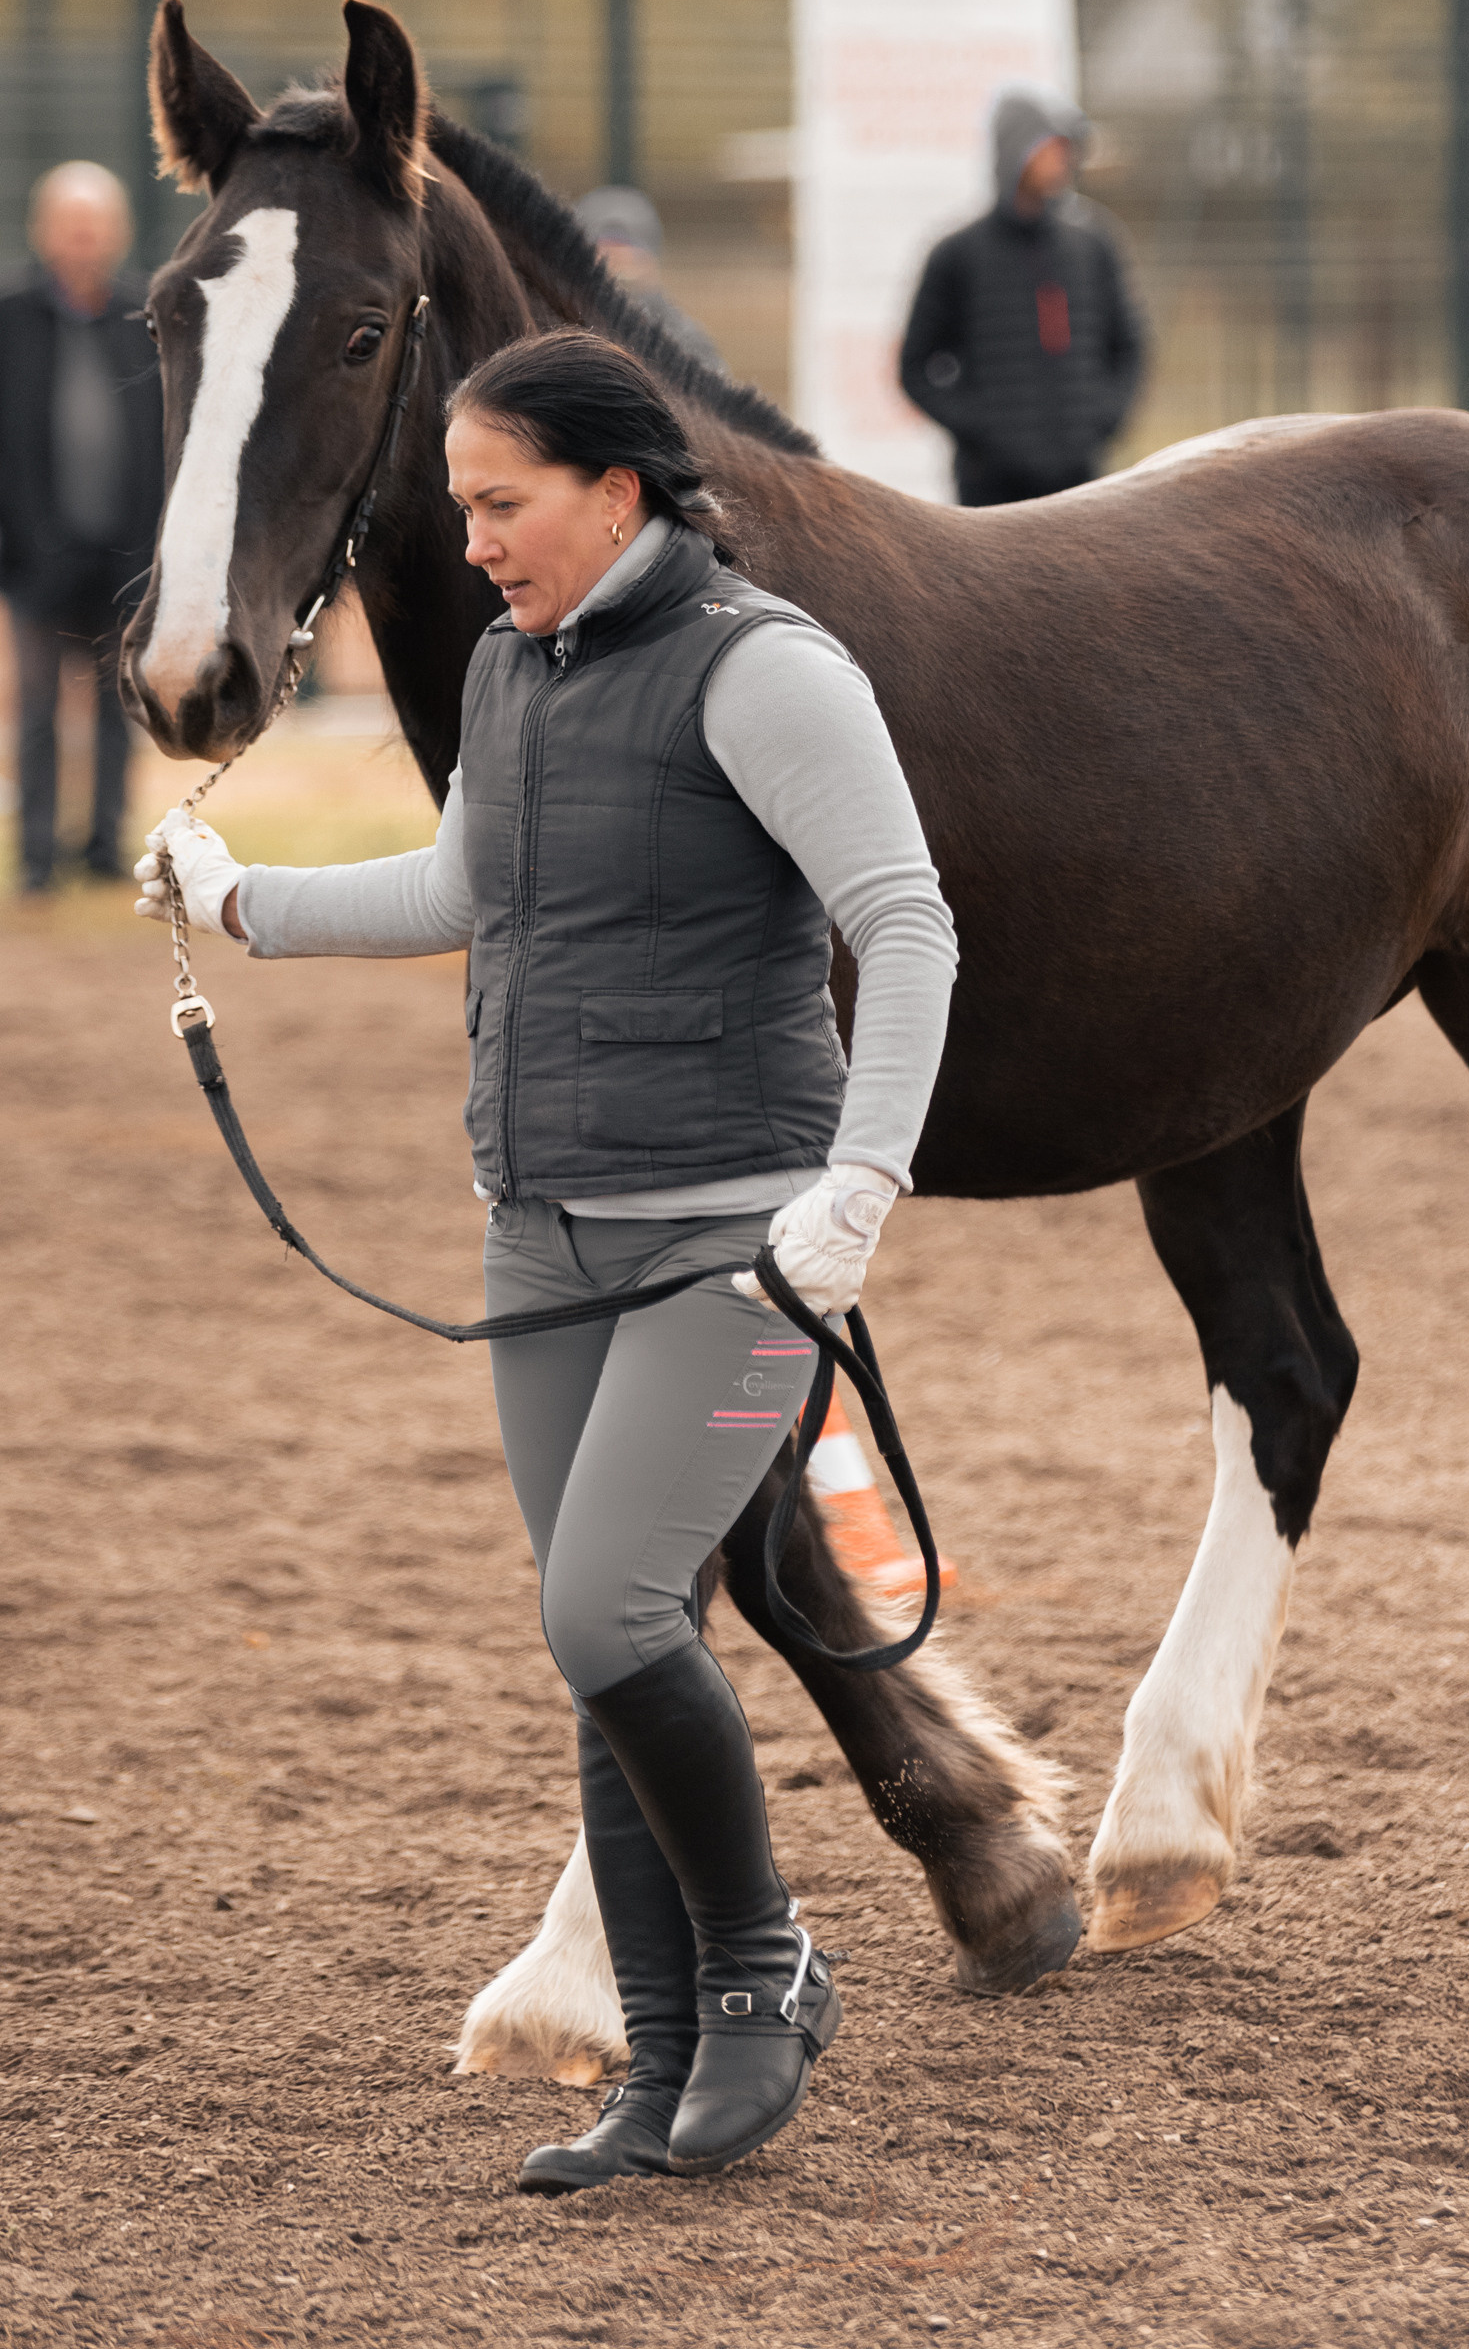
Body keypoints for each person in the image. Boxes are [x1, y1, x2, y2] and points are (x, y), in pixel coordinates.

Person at [135, 332, 955, 2192]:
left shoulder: (763, 668)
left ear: (617, 489)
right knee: (608, 1649)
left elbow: (905, 927)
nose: (475, 543)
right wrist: (243, 902)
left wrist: (859, 1184)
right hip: (542, 1228)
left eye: (502, 505)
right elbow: (460, 892)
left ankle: (761, 1972)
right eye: (461, 508)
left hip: (729, 1242)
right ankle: (656, 2059)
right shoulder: (510, 670)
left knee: (605, 1612)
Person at [0, 162, 161, 892]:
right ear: (44, 231)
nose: (84, 238)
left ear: (118, 232)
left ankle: (104, 847)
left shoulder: (145, 315)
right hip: (35, 554)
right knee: (36, 707)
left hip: (126, 555)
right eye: (72, 225)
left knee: (118, 707)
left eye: (96, 225)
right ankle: (35, 857)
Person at [899, 88, 1150, 507]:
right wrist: (981, 432)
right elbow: (915, 369)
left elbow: (1130, 347)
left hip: (1080, 483)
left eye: (1065, 149)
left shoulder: (1092, 246)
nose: (1061, 160)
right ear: (1015, 152)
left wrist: (1101, 421)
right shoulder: (958, 254)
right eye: (1048, 148)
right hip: (990, 493)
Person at [575, 185, 728, 376]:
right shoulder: (562, 328)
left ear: (651, 259)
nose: (615, 260)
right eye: (604, 250)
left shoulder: (682, 338)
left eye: (627, 248)